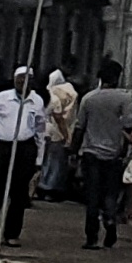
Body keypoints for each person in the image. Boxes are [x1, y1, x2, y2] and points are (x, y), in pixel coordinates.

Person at [74, 57, 132, 252]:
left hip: (91, 152)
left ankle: (91, 237)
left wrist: (73, 150)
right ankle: (110, 222)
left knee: (92, 196)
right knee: (110, 194)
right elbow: (129, 124)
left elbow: (80, 127)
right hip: (114, 154)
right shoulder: (123, 99)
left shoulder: (89, 98)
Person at [0, 66, 47, 243]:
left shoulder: (37, 101)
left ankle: (12, 234)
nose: (22, 82)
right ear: (14, 79)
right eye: (19, 78)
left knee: (19, 192)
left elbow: (40, 130)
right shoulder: (2, 98)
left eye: (26, 79)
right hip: (2, 147)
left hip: (25, 148)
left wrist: (39, 157)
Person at [38, 63, 82, 200]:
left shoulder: (46, 93)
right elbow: (65, 117)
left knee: (45, 160)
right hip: (59, 131)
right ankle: (52, 188)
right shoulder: (70, 93)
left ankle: (41, 185)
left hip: (44, 131)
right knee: (57, 162)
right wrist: (68, 135)